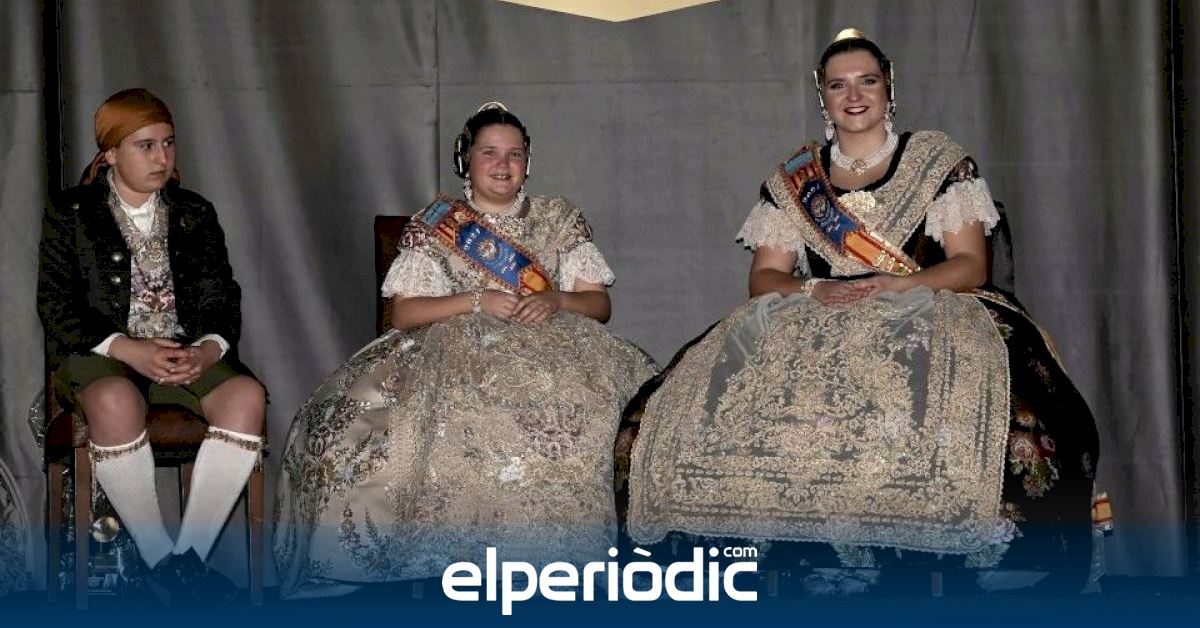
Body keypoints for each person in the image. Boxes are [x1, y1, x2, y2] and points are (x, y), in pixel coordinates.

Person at [626, 30, 1100, 595]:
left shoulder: (938, 160)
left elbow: (971, 265)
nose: (854, 96)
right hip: (817, 308)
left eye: (867, 81)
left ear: (888, 88)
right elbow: (765, 279)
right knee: (689, 405)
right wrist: (811, 290)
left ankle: (939, 563)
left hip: (925, 300)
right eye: (838, 85)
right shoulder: (793, 180)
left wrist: (900, 284)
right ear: (822, 97)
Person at [273, 102, 656, 599]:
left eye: (514, 154)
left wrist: (556, 299)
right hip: (453, 348)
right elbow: (405, 313)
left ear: (528, 161)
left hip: (556, 345)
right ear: (466, 160)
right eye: (489, 152)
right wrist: (477, 301)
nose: (503, 164)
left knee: (582, 416)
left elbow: (598, 305)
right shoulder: (436, 224)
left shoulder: (559, 218)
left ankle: (555, 566)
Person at [38, 88, 266, 604]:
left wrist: (207, 350)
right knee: (115, 400)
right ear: (110, 153)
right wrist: (127, 348)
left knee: (246, 397)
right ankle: (164, 558)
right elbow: (56, 306)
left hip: (183, 352)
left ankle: (181, 566)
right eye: (145, 145)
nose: (161, 157)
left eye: (168, 143)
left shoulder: (194, 212)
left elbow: (222, 297)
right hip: (102, 354)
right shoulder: (71, 212)